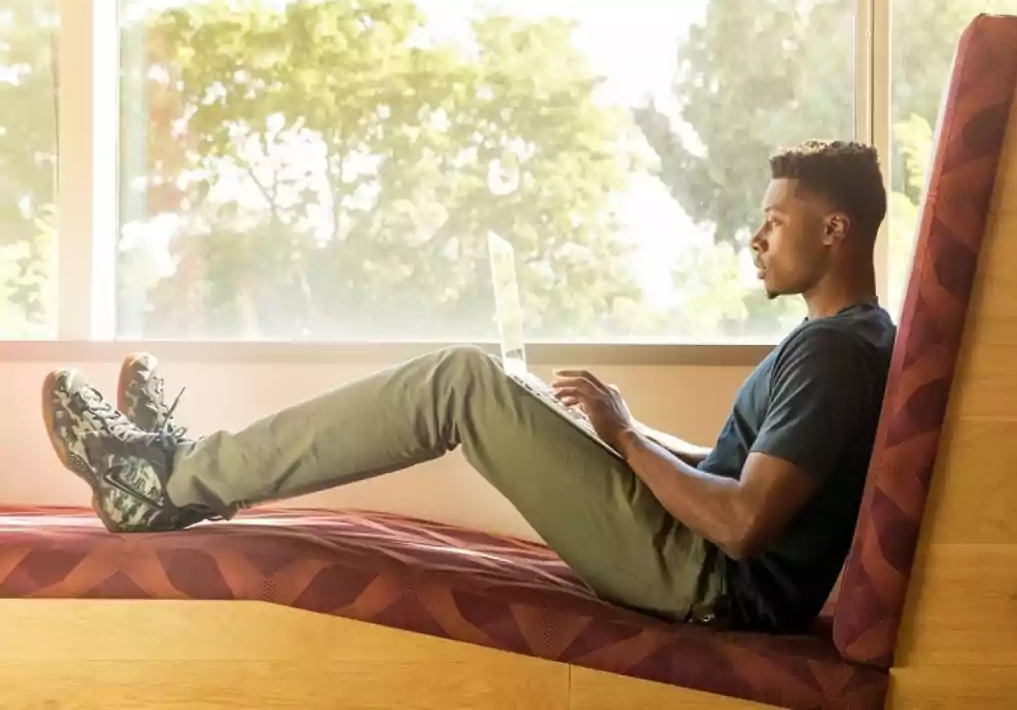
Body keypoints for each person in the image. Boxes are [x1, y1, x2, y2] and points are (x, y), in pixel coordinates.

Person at [41, 139, 896, 633]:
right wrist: (616, 427)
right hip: (699, 562)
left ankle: (174, 481)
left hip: (708, 586)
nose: (755, 238)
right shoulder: (843, 344)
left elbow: (743, 525)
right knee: (481, 384)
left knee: (457, 381)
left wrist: (629, 440)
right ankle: (186, 474)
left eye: (775, 223)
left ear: (834, 229)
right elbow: (731, 473)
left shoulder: (830, 354)